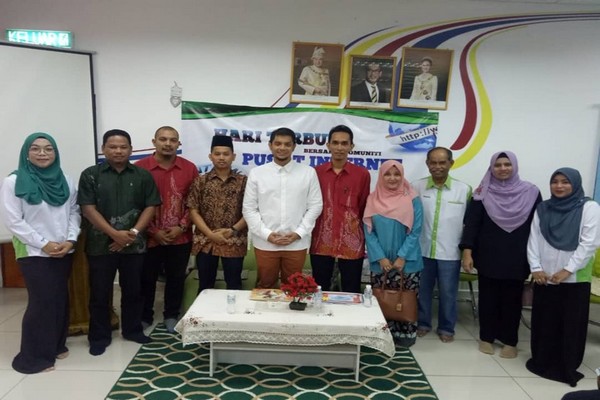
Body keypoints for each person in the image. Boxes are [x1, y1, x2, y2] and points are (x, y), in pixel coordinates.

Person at [0, 133, 80, 374]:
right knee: (42, 302)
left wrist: (70, 239)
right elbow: (13, 221)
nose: (42, 153)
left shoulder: (65, 179)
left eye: (48, 149)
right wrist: (44, 244)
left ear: (55, 153)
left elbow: (74, 211)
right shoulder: (14, 181)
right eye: (35, 149)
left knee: (59, 298)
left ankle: (56, 345)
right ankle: (32, 357)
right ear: (27, 153)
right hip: (33, 251)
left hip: (63, 249)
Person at [78, 129, 161, 356]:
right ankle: (99, 337)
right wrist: (115, 234)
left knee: (134, 290)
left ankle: (132, 330)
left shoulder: (143, 176)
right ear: (103, 149)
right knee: (100, 293)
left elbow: (151, 206)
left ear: (131, 150)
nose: (118, 151)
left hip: (134, 244)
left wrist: (131, 233)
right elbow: (87, 209)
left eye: (123, 147)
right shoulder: (90, 175)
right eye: (113, 147)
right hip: (99, 245)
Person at [460, 151, 541, 358]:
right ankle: (486, 337)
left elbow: (537, 228)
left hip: (518, 255)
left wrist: (537, 260)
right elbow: (472, 224)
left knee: (512, 300)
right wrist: (467, 252)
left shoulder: (531, 192)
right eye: (498, 165)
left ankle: (510, 341)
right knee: (488, 298)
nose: (503, 168)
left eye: (507, 164)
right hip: (488, 254)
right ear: (491, 168)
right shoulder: (481, 193)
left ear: (514, 166)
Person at [525, 168, 600, 387]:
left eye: (565, 182)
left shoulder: (589, 207)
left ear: (575, 184)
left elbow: (589, 243)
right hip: (545, 276)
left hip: (575, 278)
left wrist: (567, 270)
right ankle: (542, 360)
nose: (559, 186)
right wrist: (536, 268)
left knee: (571, 323)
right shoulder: (543, 208)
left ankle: (567, 364)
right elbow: (533, 239)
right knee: (545, 320)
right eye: (555, 181)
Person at [136, 126, 198, 333]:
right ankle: (145, 315)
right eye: (163, 139)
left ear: (179, 144)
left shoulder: (189, 168)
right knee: (146, 278)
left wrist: (181, 227)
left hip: (180, 237)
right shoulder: (140, 168)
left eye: (173, 140)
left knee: (176, 278)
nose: (168, 144)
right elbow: (135, 204)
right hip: (148, 237)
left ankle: (171, 314)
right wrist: (153, 230)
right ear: (154, 142)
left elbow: (194, 203)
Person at [243, 127, 322, 288]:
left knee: (294, 288)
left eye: (287, 144)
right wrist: (267, 234)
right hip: (265, 243)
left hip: (296, 243)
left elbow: (315, 206)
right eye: (278, 143)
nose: (282, 148)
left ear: (294, 146)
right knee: (265, 287)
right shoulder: (257, 173)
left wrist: (298, 233)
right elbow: (249, 209)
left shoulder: (308, 173)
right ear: (270, 145)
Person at [412, 147, 471, 343]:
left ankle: (446, 328)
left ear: (451, 163)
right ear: (427, 164)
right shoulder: (416, 187)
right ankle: (423, 323)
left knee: (448, 293)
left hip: (450, 252)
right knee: (422, 291)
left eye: (442, 162)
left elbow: (469, 224)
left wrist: (467, 252)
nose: (437, 166)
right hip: (422, 250)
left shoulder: (464, 190)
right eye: (433, 162)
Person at [363, 160, 423, 347]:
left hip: (408, 260)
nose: (392, 178)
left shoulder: (412, 199)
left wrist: (402, 256)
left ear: (402, 176)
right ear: (381, 176)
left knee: (405, 298)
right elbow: (369, 232)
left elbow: (416, 230)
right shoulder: (373, 198)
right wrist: (380, 257)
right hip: (380, 261)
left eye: (397, 174)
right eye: (387, 174)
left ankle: (405, 335)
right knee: (381, 298)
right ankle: (382, 335)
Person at [310, 125, 370, 293]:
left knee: (351, 290)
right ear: (328, 145)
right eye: (335, 143)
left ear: (351, 146)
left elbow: (363, 206)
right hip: (322, 241)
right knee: (319, 289)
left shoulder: (362, 174)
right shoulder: (316, 173)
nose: (339, 147)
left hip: (352, 242)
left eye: (344, 143)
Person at [187, 135, 247, 293]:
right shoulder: (200, 181)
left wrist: (232, 230)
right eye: (217, 154)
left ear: (233, 156)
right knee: (205, 286)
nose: (221, 157)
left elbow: (250, 211)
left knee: (234, 285)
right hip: (205, 240)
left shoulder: (244, 182)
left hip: (234, 240)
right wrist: (210, 234)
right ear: (210, 156)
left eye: (226, 154)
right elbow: (193, 210)